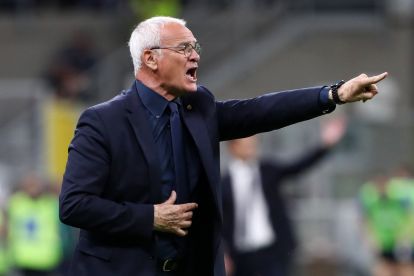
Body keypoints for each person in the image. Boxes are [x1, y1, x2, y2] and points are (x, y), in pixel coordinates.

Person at [59, 16, 388, 276]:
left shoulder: (197, 106)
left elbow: (259, 111)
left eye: (196, 46)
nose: (195, 55)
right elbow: (74, 205)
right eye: (184, 48)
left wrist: (333, 94)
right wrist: (149, 217)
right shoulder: (102, 121)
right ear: (151, 58)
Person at [221, 118, 346, 276]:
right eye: (246, 141)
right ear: (233, 146)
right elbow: (222, 222)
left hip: (272, 250)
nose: (251, 144)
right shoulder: (223, 183)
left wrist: (325, 145)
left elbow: (298, 166)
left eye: (253, 141)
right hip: (241, 255)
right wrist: (224, 253)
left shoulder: (267, 171)